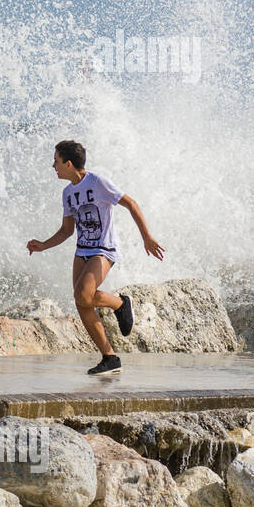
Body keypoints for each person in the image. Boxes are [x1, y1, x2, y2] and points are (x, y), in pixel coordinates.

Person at [26, 140, 165, 375]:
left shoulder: (97, 182)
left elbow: (131, 203)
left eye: (56, 161)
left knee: (83, 294)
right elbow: (67, 231)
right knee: (82, 302)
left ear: (68, 163)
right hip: (82, 250)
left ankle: (121, 303)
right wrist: (43, 246)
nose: (53, 166)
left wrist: (147, 237)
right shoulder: (68, 193)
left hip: (104, 249)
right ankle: (109, 357)